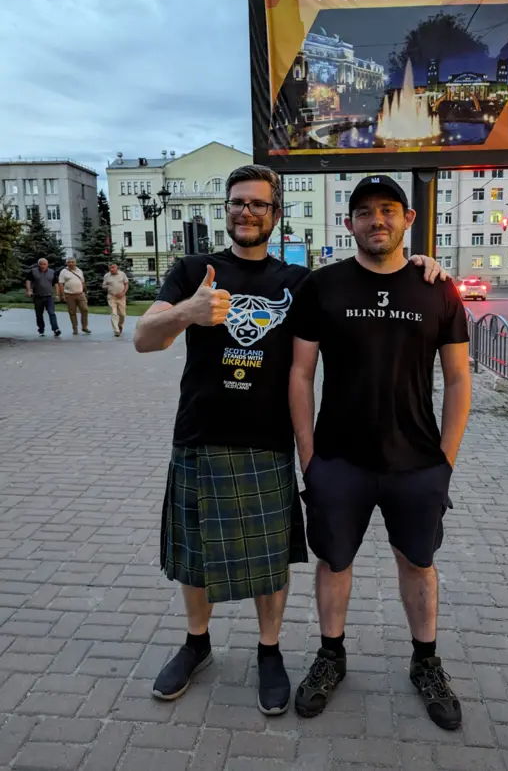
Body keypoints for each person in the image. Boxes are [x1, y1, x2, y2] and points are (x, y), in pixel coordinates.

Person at [133, 164, 446, 716]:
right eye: (237, 202)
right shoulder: (190, 271)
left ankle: (270, 651)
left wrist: (420, 265)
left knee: (269, 561)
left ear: (276, 214)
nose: (246, 212)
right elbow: (143, 339)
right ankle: (196, 643)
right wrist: (188, 312)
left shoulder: (300, 283)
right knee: (193, 554)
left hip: (268, 440)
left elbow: (370, 277)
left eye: (257, 203)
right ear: (225, 210)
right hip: (200, 434)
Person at [289, 174, 472, 731]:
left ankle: (426, 663)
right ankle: (331, 656)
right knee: (333, 561)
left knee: (418, 563)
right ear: (349, 225)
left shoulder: (437, 289)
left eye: (388, 210)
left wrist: (445, 462)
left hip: (416, 463)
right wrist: (309, 458)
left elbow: (460, 380)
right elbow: (300, 374)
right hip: (339, 461)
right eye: (364, 212)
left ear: (408, 220)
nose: (377, 220)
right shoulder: (323, 287)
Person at [26, 258, 61, 337]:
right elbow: (28, 280)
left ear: (47, 265)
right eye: (41, 264)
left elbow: (56, 283)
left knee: (51, 313)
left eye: (44, 264)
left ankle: (56, 329)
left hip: (49, 296)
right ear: (38, 265)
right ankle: (41, 329)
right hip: (38, 296)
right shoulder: (33, 271)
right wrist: (28, 290)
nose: (43, 266)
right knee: (39, 314)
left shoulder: (52, 272)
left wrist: (57, 294)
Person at [58, 257, 91, 335]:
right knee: (72, 312)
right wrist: (62, 294)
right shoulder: (63, 272)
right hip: (69, 295)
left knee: (85, 309)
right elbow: (61, 283)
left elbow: (83, 282)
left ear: (75, 263)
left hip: (80, 294)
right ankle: (75, 328)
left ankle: (84, 327)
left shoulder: (79, 271)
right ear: (66, 263)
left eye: (72, 262)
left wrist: (85, 291)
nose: (71, 263)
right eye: (69, 262)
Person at [102, 263, 129, 337]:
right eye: (110, 268)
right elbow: (103, 286)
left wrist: (123, 293)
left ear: (117, 267)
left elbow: (126, 284)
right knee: (114, 313)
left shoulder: (122, 274)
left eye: (113, 267)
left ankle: (120, 325)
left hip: (121, 297)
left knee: (122, 314)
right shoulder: (107, 276)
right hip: (111, 297)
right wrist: (108, 287)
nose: (111, 269)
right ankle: (116, 330)